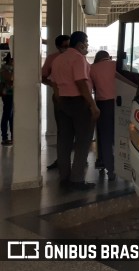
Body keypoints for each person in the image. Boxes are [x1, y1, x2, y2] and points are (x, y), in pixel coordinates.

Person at [50, 31, 100, 190]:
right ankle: (77, 180)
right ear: (80, 44)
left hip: (63, 102)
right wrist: (92, 104)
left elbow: (55, 84)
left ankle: (64, 178)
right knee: (83, 142)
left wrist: (59, 100)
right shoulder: (78, 58)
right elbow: (81, 82)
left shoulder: (58, 59)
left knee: (64, 141)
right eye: (86, 42)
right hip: (79, 103)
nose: (87, 46)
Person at [41, 34, 70, 169]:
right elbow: (43, 77)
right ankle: (61, 160)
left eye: (69, 45)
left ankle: (78, 159)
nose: (67, 49)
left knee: (76, 130)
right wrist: (54, 85)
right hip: (60, 98)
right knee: (62, 130)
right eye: (64, 46)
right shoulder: (52, 58)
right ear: (58, 47)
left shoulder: (76, 57)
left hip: (76, 99)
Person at [90, 50, 116, 181]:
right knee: (119, 136)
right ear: (108, 57)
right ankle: (123, 166)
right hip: (118, 104)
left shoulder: (92, 68)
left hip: (102, 105)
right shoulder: (115, 64)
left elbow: (89, 88)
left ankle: (110, 171)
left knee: (104, 138)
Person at [0, 54, 14, 146]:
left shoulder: (10, 68)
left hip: (11, 94)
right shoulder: (6, 68)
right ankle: (4, 138)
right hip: (8, 94)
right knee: (7, 115)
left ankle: (11, 137)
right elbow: (10, 79)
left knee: (11, 116)